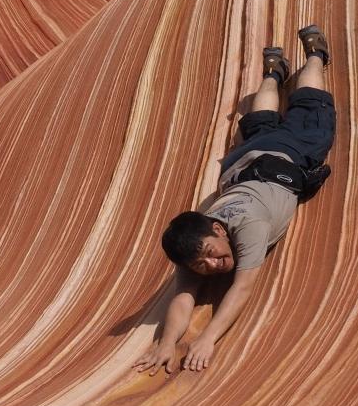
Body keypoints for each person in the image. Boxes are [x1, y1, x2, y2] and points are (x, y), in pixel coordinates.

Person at [134, 25, 335, 376]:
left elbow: (242, 288)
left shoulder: (249, 228)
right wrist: (166, 343)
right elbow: (183, 295)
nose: (212, 265)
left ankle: (315, 55)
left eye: (210, 255)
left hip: (287, 155)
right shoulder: (193, 239)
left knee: (309, 105)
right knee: (261, 121)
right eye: (202, 265)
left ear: (218, 230)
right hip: (243, 159)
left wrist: (208, 338)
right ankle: (272, 71)